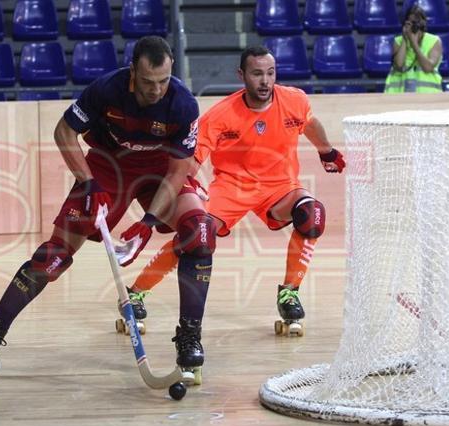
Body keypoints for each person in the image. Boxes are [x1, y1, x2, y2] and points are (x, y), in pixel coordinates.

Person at [0, 36, 216, 381]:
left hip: (159, 170)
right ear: (133, 72)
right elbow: (64, 132)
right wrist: (88, 183)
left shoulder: (183, 104)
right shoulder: (106, 89)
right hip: (107, 167)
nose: (156, 90)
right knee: (52, 256)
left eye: (163, 81)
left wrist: (146, 224)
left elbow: (177, 172)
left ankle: (189, 338)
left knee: (200, 233)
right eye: (147, 82)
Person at [121, 46, 345, 335]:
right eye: (256, 74)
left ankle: (289, 292)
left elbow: (309, 123)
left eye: (270, 73)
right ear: (242, 75)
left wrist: (326, 151)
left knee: (312, 215)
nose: (265, 81)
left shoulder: (294, 100)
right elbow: (191, 159)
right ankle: (136, 292)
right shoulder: (221, 115)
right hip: (231, 188)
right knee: (195, 233)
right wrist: (189, 187)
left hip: (280, 186)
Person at [384, 5, 443, 94]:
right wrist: (405, 38)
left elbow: (428, 67)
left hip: (428, 95)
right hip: (400, 95)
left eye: (416, 23)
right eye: (410, 23)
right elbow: (399, 65)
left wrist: (414, 43)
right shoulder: (398, 41)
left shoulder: (434, 41)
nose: (414, 27)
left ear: (423, 25)